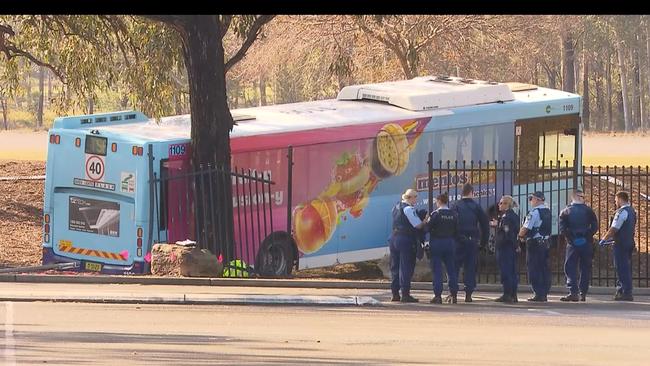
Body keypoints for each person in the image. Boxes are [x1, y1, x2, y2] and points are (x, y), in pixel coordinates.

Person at [451, 184, 489, 302]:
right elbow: (485, 224)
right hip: (472, 241)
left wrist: (455, 237)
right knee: (470, 268)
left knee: (454, 268)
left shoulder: (455, 205)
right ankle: (468, 294)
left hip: (458, 241)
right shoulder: (476, 206)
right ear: (472, 192)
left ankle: (454, 294)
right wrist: (483, 242)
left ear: (461, 193)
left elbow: (452, 223)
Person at [558, 189, 598, 302]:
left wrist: (571, 238)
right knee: (585, 267)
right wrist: (587, 236)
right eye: (583, 196)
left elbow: (562, 229)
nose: (584, 198)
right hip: (586, 242)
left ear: (572, 197)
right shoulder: (589, 211)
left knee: (570, 267)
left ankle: (573, 292)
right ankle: (583, 292)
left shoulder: (565, 211)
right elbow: (595, 226)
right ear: (579, 197)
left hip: (572, 244)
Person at [390, 188, 429, 303]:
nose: (416, 200)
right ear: (410, 198)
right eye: (415, 197)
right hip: (405, 239)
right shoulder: (408, 209)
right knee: (406, 267)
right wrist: (425, 221)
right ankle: (405, 294)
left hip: (394, 238)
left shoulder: (396, 207)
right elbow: (417, 226)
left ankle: (395, 293)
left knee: (395, 266)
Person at [599, 191, 636, 301]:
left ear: (620, 199)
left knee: (621, 268)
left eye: (616, 200)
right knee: (626, 267)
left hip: (621, 243)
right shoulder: (632, 211)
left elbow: (614, 228)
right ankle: (621, 290)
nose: (615, 203)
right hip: (629, 242)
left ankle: (626, 292)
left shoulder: (621, 212)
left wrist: (604, 239)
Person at [518, 191, 552, 302]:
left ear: (537, 199)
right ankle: (544, 292)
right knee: (544, 268)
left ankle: (538, 293)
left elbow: (526, 227)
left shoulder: (534, 213)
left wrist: (519, 236)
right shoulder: (547, 211)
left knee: (534, 268)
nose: (530, 201)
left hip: (535, 244)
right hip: (545, 243)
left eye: (531, 198)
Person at [427, 192, 459, 304]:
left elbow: (427, 228)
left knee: (437, 270)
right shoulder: (453, 214)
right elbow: (457, 230)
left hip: (437, 243)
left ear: (439, 201)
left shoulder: (435, 214)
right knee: (451, 269)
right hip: (450, 242)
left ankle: (438, 296)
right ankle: (453, 294)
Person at [492, 195, 520, 304]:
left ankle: (507, 294)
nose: (499, 205)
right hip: (511, 246)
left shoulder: (506, 217)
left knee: (506, 271)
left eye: (501, 203)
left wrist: (498, 225)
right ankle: (513, 294)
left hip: (505, 247)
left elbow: (507, 232)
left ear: (506, 204)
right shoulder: (514, 216)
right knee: (512, 271)